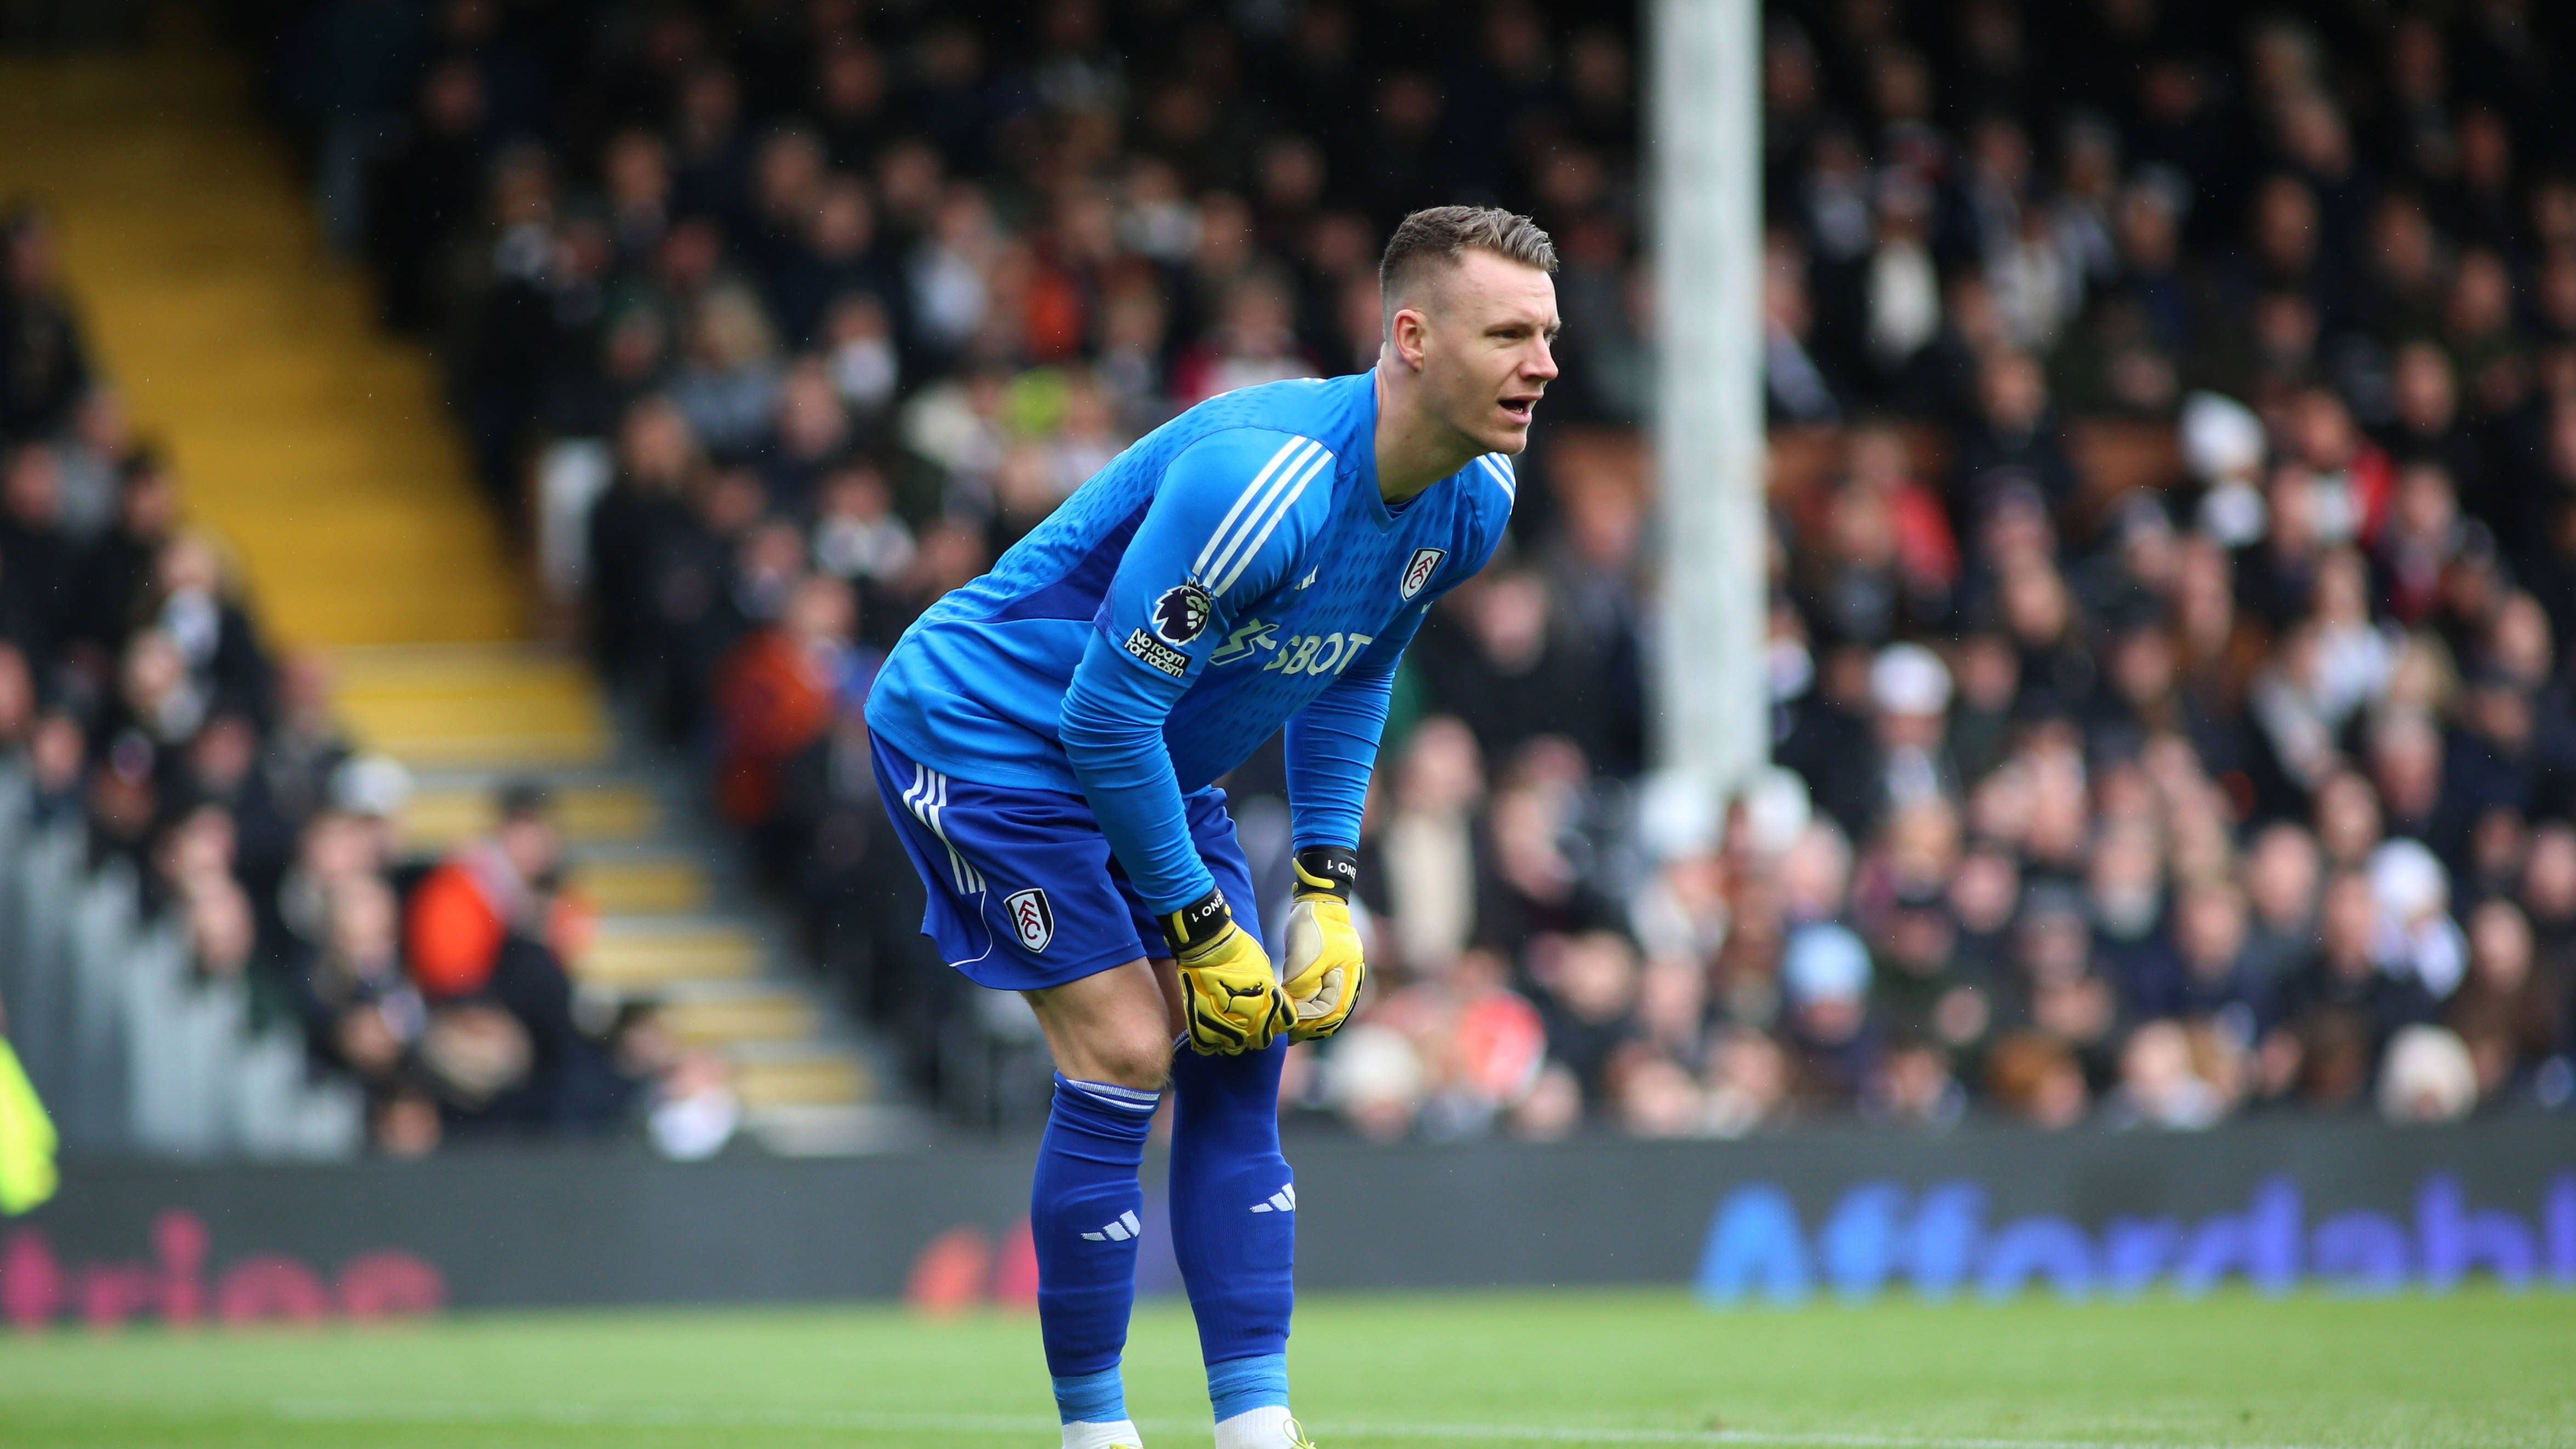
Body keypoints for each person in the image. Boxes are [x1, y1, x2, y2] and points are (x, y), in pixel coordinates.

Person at [863, 206, 1558, 1449]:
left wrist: (1327, 888)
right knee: (1133, 1041)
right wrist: (1195, 922)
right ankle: (1096, 1433)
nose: (1545, 363)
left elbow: (1350, 673)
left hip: (1146, 745)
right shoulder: (1267, 478)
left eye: (1547, 334)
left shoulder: (1475, 498)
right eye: (1510, 333)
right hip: (988, 730)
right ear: (1410, 338)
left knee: (1245, 1038)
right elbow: (1100, 718)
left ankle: (1256, 1426)